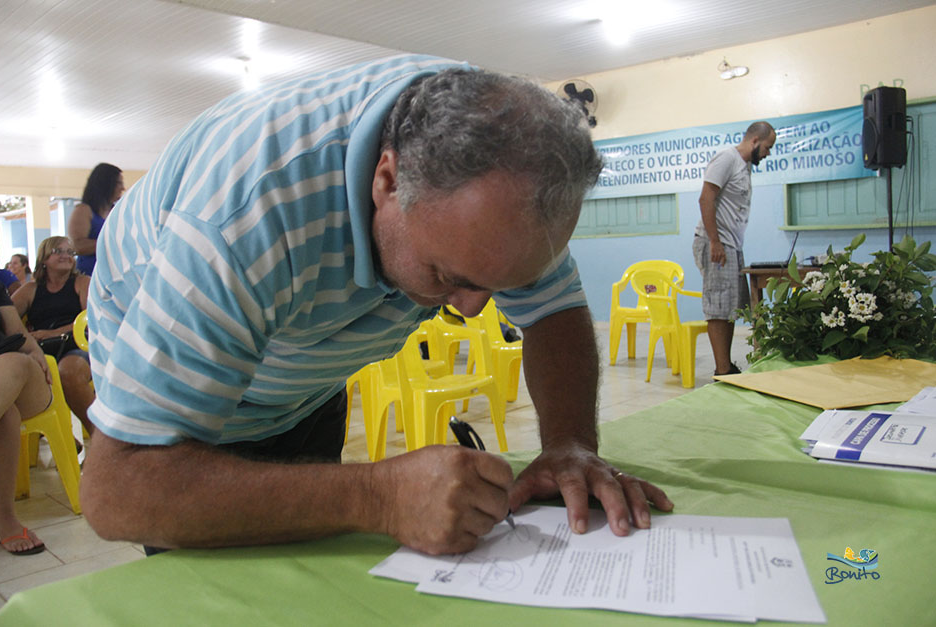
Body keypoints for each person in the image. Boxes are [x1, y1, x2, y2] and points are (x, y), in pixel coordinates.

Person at [80, 55, 673, 555]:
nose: (470, 309)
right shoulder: (243, 219)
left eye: (500, 282)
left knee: (315, 570)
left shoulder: (502, 167)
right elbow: (119, 491)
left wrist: (569, 444)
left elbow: (554, 309)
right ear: (386, 181)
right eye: (447, 274)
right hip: (179, 423)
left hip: (303, 380)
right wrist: (379, 494)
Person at [693, 121, 776, 376]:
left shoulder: (744, 167)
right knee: (718, 308)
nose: (768, 153)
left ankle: (726, 366)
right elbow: (705, 198)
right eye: (767, 147)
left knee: (730, 307)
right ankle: (722, 370)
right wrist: (715, 242)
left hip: (731, 244)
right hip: (716, 243)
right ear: (754, 141)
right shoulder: (726, 159)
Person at [12, 236, 94, 434]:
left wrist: (48, 333)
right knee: (14, 375)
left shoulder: (82, 283)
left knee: (68, 372)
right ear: (44, 258)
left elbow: (90, 320)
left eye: (70, 252)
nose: (66, 256)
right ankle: (58, 434)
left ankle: (99, 436)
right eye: (59, 251)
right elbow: (7, 318)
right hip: (41, 353)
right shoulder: (31, 289)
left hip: (78, 346)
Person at [0, 276, 52, 555]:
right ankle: (5, 519)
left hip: (14, 371)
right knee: (6, 416)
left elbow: (16, 330)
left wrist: (34, 351)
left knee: (14, 362)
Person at [67, 162, 124, 276]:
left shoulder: (118, 212)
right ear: (106, 184)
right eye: (119, 183)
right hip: (90, 276)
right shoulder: (84, 210)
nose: (123, 188)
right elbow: (77, 246)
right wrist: (113, 243)